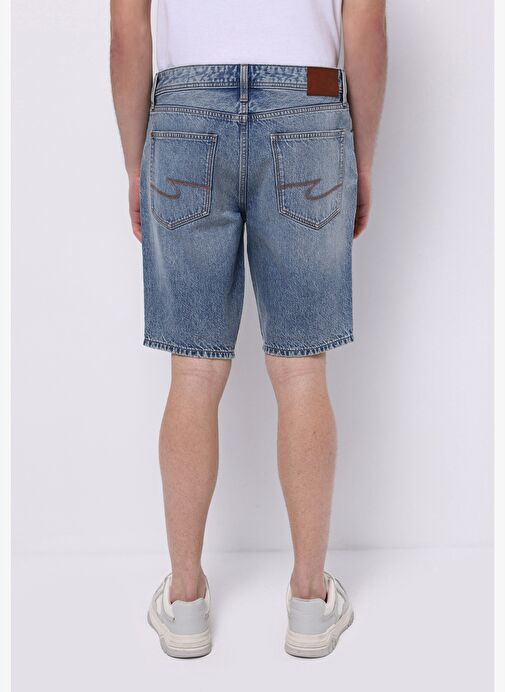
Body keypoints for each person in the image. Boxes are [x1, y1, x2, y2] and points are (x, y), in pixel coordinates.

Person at [110, 0, 386, 659]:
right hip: (309, 97)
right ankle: (309, 600)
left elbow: (126, 32)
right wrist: (363, 161)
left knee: (193, 370)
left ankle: (185, 601)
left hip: (184, 104)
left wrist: (134, 165)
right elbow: (367, 26)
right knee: (301, 369)